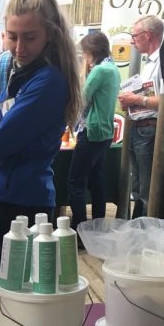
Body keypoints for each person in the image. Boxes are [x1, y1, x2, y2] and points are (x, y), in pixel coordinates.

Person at [0, 0, 82, 326]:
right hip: (11, 195)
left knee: (6, 291)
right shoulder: (24, 73)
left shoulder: (46, 82)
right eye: (11, 36)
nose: (18, 47)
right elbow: (1, 127)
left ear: (50, 34)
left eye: (29, 37)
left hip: (24, 200)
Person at [67, 31, 121, 229]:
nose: (85, 58)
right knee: (97, 181)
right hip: (105, 132)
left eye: (85, 54)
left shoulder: (100, 71)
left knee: (75, 181)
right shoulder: (113, 68)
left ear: (92, 51)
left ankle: (80, 227)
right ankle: (97, 225)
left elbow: (82, 97)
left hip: (92, 131)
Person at [117, 15, 164, 218]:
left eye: (135, 35)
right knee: (137, 184)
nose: (132, 40)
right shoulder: (149, 62)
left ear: (148, 35)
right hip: (139, 127)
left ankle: (144, 228)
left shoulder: (162, 62)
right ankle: (138, 226)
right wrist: (130, 102)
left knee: (146, 186)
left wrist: (136, 100)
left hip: (149, 128)